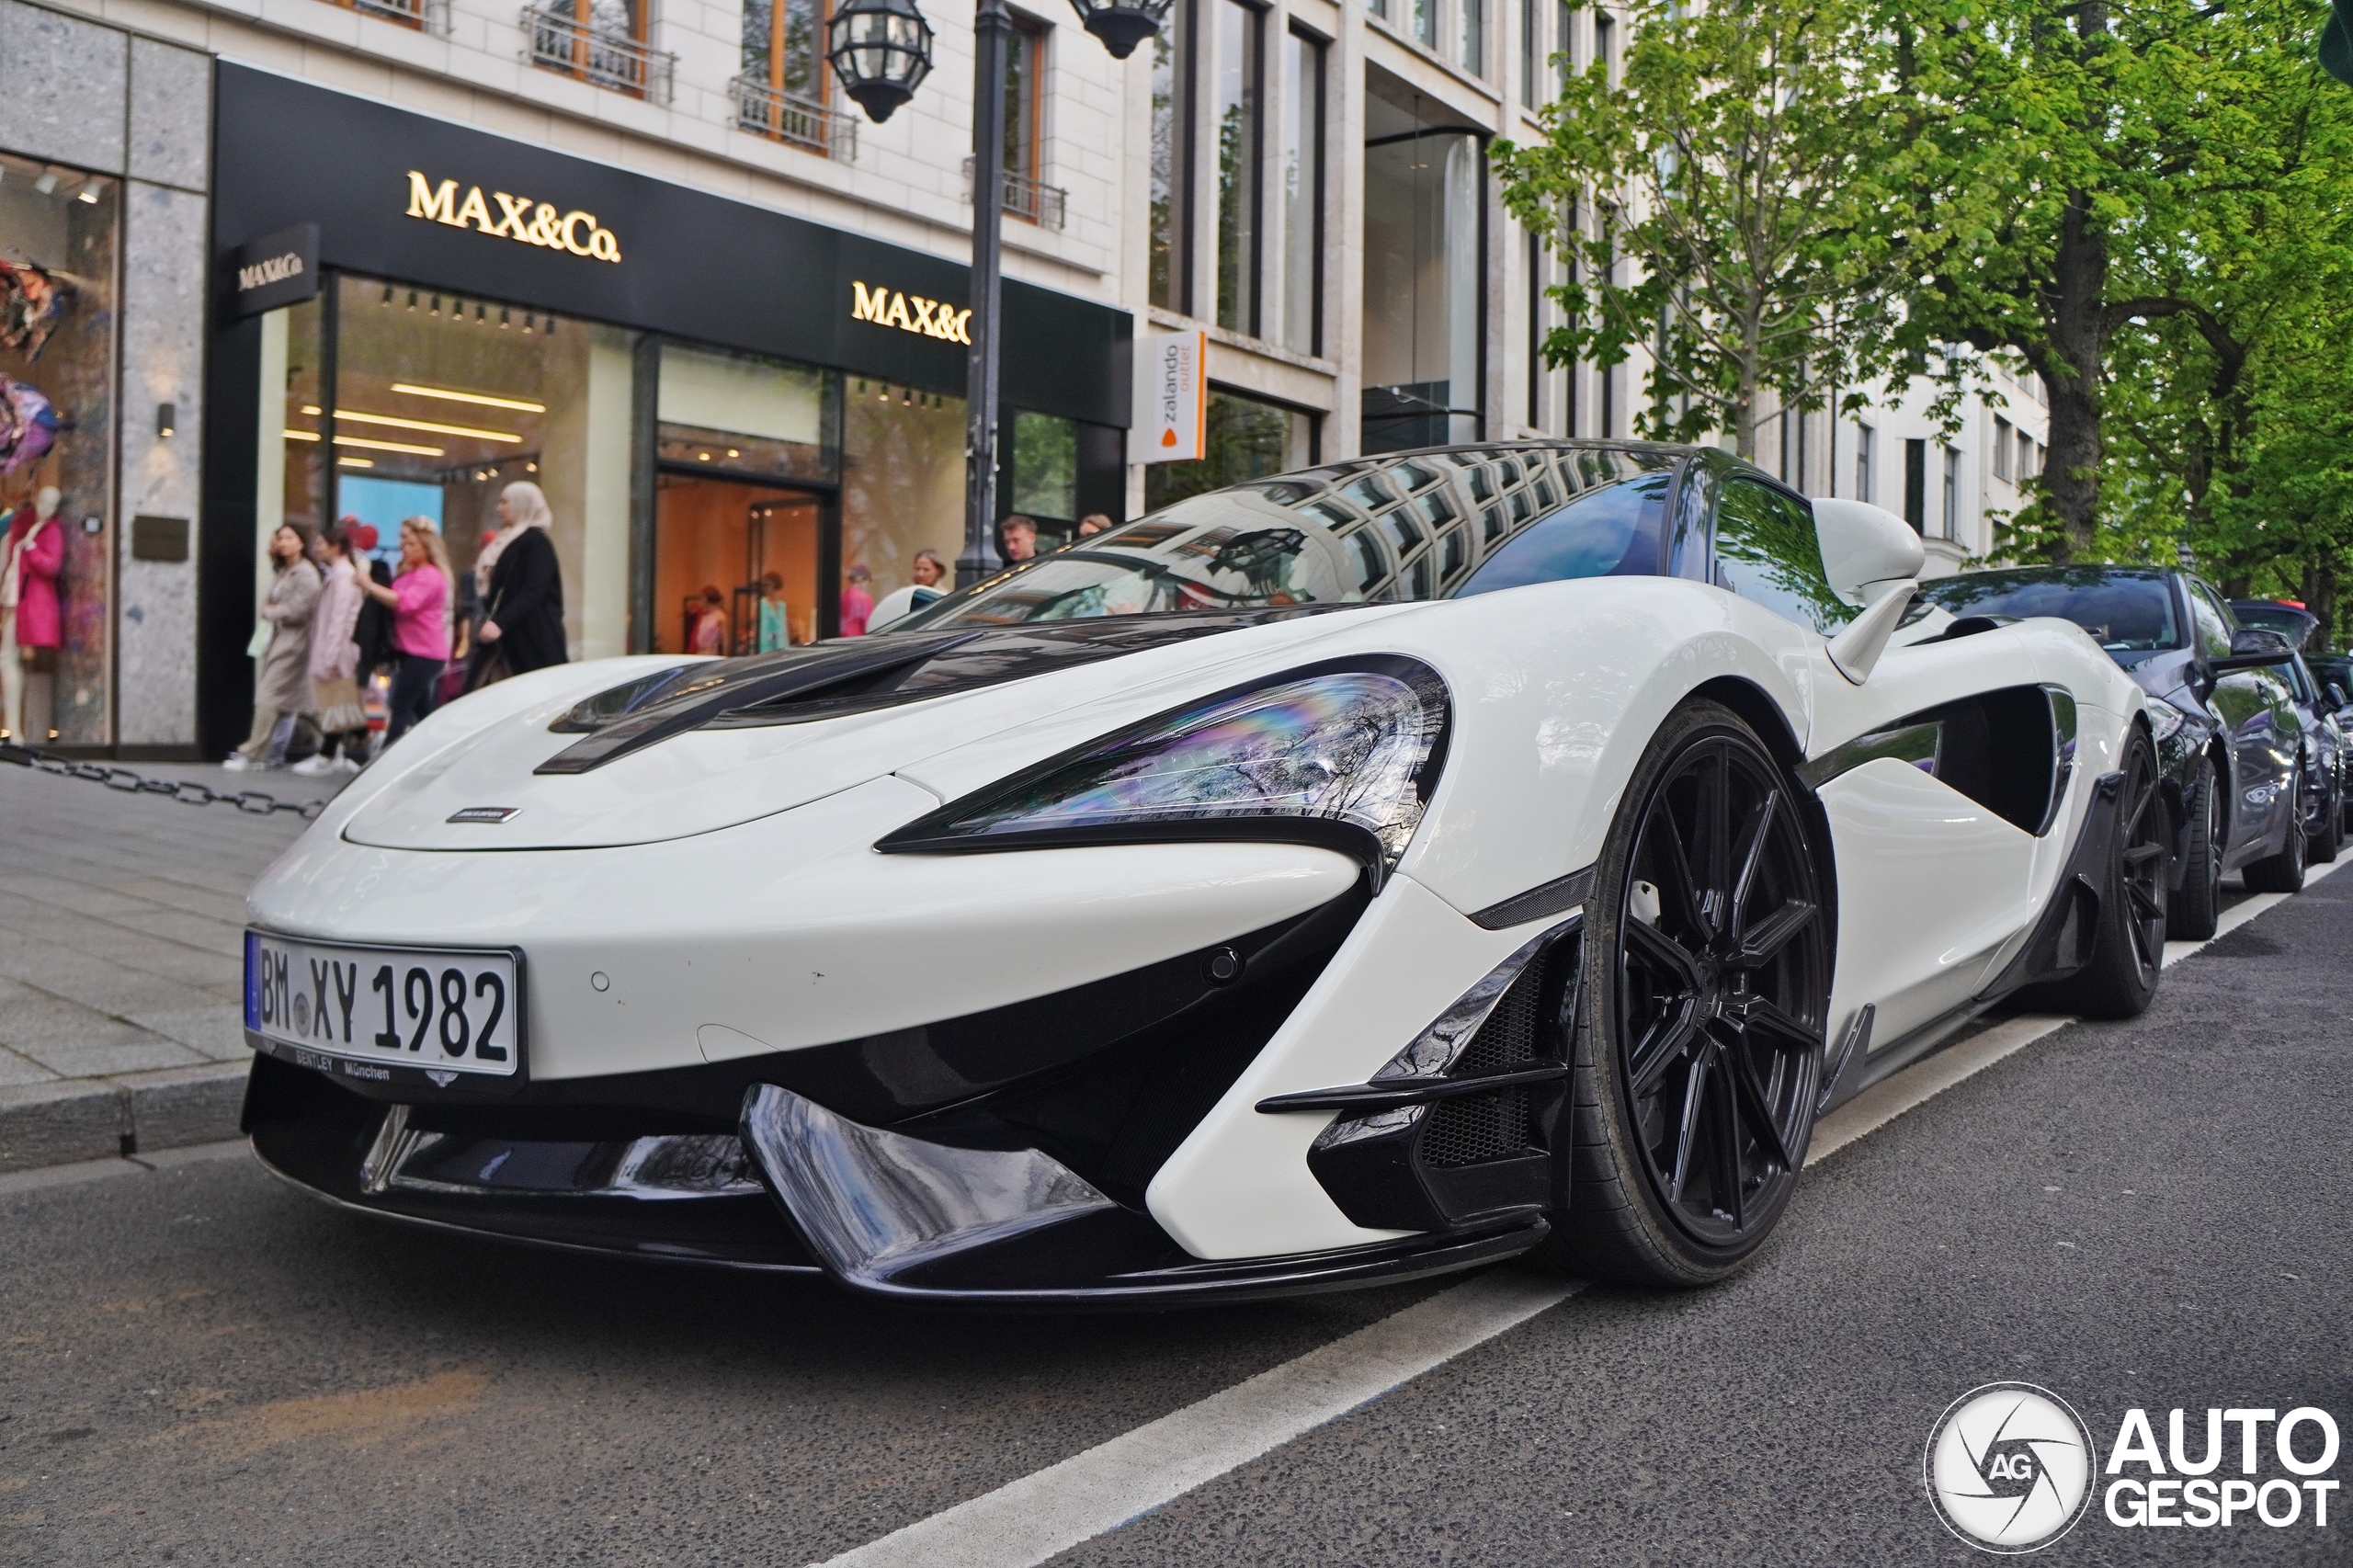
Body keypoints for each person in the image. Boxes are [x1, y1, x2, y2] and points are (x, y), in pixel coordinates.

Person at [226, 521, 321, 771]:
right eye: (280, 538)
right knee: (303, 703)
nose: (283, 542)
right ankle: (338, 744)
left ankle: (252, 753)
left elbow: (300, 609)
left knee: (268, 695)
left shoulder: (306, 574)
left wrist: (272, 611)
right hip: (281, 639)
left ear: (301, 542)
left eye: (289, 537)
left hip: (296, 642)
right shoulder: (285, 570)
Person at [358, 517, 452, 746]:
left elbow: (406, 603)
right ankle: (440, 751)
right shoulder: (409, 573)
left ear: (426, 545)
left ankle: (385, 758)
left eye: (410, 543)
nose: (403, 546)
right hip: (410, 651)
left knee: (400, 704)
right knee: (422, 711)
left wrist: (370, 586)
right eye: (402, 540)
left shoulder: (430, 575)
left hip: (425, 653)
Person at [472, 480, 566, 686]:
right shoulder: (509, 541)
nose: (499, 509)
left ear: (523, 504)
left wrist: (500, 622)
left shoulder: (536, 543)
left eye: (505, 502)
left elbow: (534, 588)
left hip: (532, 640)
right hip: (509, 638)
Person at [292, 521, 368, 775]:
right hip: (334, 646)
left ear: (335, 547)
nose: (316, 548)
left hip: (339, 647)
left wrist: (331, 655)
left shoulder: (343, 575)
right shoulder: (338, 573)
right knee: (340, 701)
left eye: (321, 544)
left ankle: (330, 754)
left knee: (338, 701)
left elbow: (339, 617)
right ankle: (343, 750)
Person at [868, 548, 950, 631]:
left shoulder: (944, 597)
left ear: (938, 572)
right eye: (918, 569)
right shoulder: (906, 595)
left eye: (926, 570)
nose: (920, 574)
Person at [756, 572, 791, 652]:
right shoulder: (760, 604)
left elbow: (786, 626)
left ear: (775, 585)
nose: (765, 588)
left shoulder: (783, 606)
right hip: (765, 644)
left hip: (781, 643)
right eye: (764, 585)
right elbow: (756, 625)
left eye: (767, 585)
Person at [691, 585, 729, 655]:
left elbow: (725, 640)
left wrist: (725, 657)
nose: (700, 601)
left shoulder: (719, 616)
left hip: (711, 653)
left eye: (702, 598)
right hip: (699, 652)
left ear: (708, 599)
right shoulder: (703, 616)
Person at [840, 563, 873, 636]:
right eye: (867, 580)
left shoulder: (842, 597)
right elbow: (869, 625)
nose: (867, 584)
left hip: (841, 639)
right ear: (861, 579)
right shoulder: (865, 598)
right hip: (858, 640)